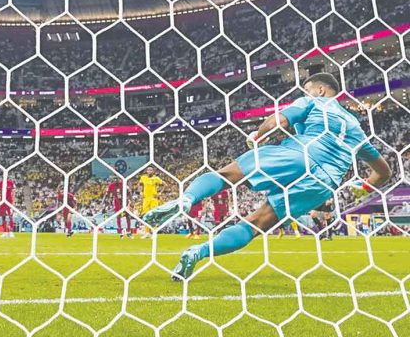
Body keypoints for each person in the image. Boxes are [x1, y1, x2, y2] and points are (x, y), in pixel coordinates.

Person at [144, 73, 391, 280]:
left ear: (321, 89)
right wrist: (365, 188)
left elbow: (278, 121)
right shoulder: (357, 129)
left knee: (227, 175)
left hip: (298, 154)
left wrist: (257, 136)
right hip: (324, 182)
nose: (305, 93)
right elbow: (384, 172)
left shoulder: (314, 102)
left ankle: (186, 199)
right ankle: (197, 253)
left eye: (308, 89)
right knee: (256, 224)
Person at [138, 166, 163, 239]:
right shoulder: (143, 178)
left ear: (153, 171)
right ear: (146, 171)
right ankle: (147, 232)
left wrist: (159, 193)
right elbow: (139, 185)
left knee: (153, 215)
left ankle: (154, 233)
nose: (149, 171)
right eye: (148, 170)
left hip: (153, 199)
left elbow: (164, 185)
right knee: (146, 216)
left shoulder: (156, 178)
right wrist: (140, 192)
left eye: (151, 170)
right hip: (146, 199)